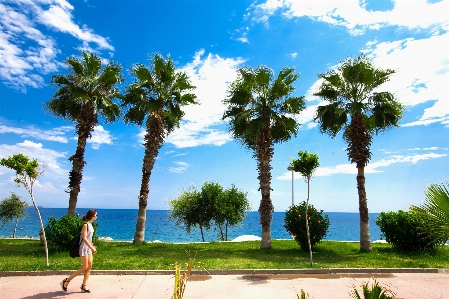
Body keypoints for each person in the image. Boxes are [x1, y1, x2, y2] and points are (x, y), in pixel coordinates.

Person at [60, 209, 98, 293]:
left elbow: (89, 238)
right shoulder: (85, 225)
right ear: (92, 216)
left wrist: (92, 246)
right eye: (96, 215)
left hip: (88, 248)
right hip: (84, 248)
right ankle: (67, 280)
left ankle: (84, 286)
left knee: (90, 265)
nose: (96, 217)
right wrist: (91, 248)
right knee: (84, 267)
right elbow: (84, 238)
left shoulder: (91, 225)